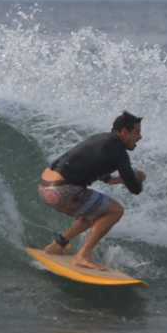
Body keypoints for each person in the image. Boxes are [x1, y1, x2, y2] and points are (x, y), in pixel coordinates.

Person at [38, 112, 146, 271]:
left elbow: (100, 173)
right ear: (124, 131)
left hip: (45, 187)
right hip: (63, 189)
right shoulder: (118, 151)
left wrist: (118, 180)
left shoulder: (101, 139)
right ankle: (83, 256)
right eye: (137, 132)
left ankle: (56, 246)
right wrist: (139, 178)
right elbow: (135, 189)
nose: (140, 137)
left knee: (91, 215)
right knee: (115, 211)